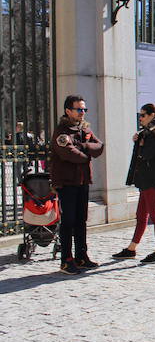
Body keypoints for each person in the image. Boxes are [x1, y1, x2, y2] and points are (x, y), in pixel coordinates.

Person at [114, 103, 155, 264]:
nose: (140, 118)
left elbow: (148, 155)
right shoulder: (149, 132)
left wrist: (140, 142)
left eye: (142, 115)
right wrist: (139, 139)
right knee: (141, 215)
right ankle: (132, 248)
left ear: (151, 115)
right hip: (146, 178)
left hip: (153, 179)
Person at [49, 94, 105, 275]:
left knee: (81, 220)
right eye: (79, 109)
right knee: (68, 221)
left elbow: (100, 146)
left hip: (82, 180)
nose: (82, 112)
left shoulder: (84, 129)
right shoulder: (62, 131)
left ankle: (82, 256)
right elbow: (70, 154)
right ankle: (66, 260)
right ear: (68, 111)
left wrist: (85, 147)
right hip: (66, 182)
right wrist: (86, 150)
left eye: (84, 109)